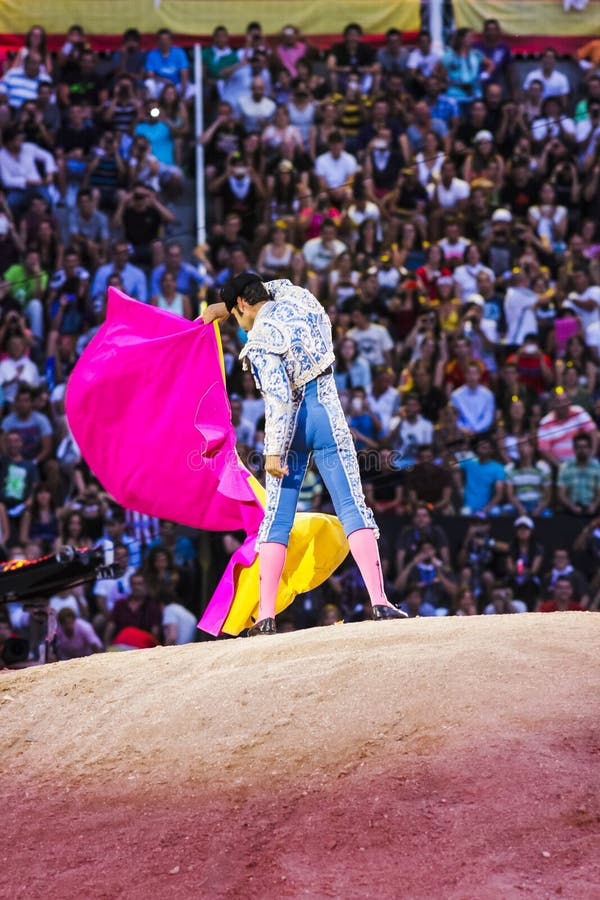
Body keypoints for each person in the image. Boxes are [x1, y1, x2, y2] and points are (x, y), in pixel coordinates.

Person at [203, 272, 407, 633]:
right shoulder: (300, 298)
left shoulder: (260, 341)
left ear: (243, 305)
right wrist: (227, 305)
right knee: (352, 506)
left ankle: (265, 616)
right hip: (327, 414)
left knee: (276, 519)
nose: (241, 325)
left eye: (237, 316)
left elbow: (279, 398)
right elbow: (277, 284)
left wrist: (272, 452)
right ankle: (379, 602)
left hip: (291, 429)